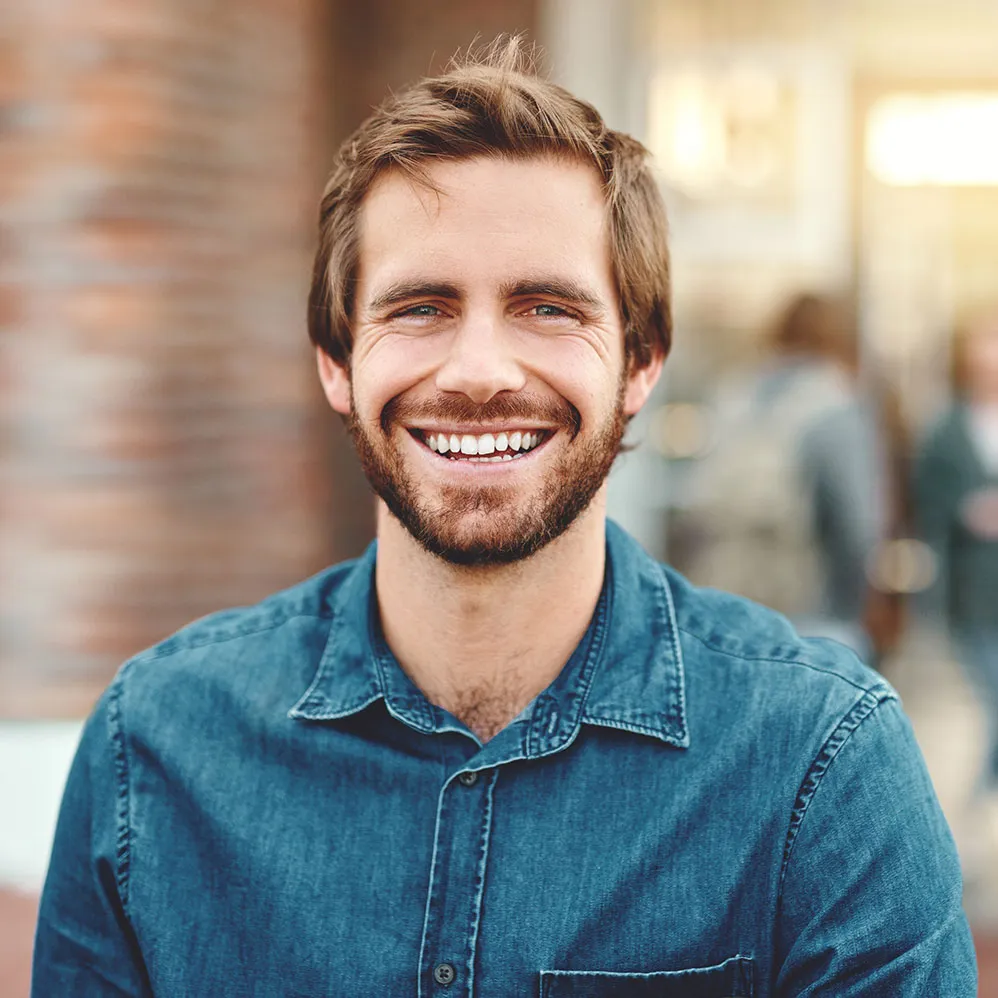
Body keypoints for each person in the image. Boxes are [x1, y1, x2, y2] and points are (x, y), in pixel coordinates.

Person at [33, 39, 975, 996]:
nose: (480, 369)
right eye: (421, 308)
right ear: (336, 360)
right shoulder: (151, 749)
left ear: (642, 361)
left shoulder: (821, 762)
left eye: (547, 307)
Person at [678, 294, 890, 661]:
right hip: (809, 609)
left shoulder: (734, 394)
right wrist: (858, 608)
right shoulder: (836, 403)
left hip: (723, 603)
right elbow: (858, 523)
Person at [915, 311, 998, 810]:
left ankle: (980, 800)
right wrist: (968, 510)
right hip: (976, 590)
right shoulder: (947, 430)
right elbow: (930, 501)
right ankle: (981, 801)